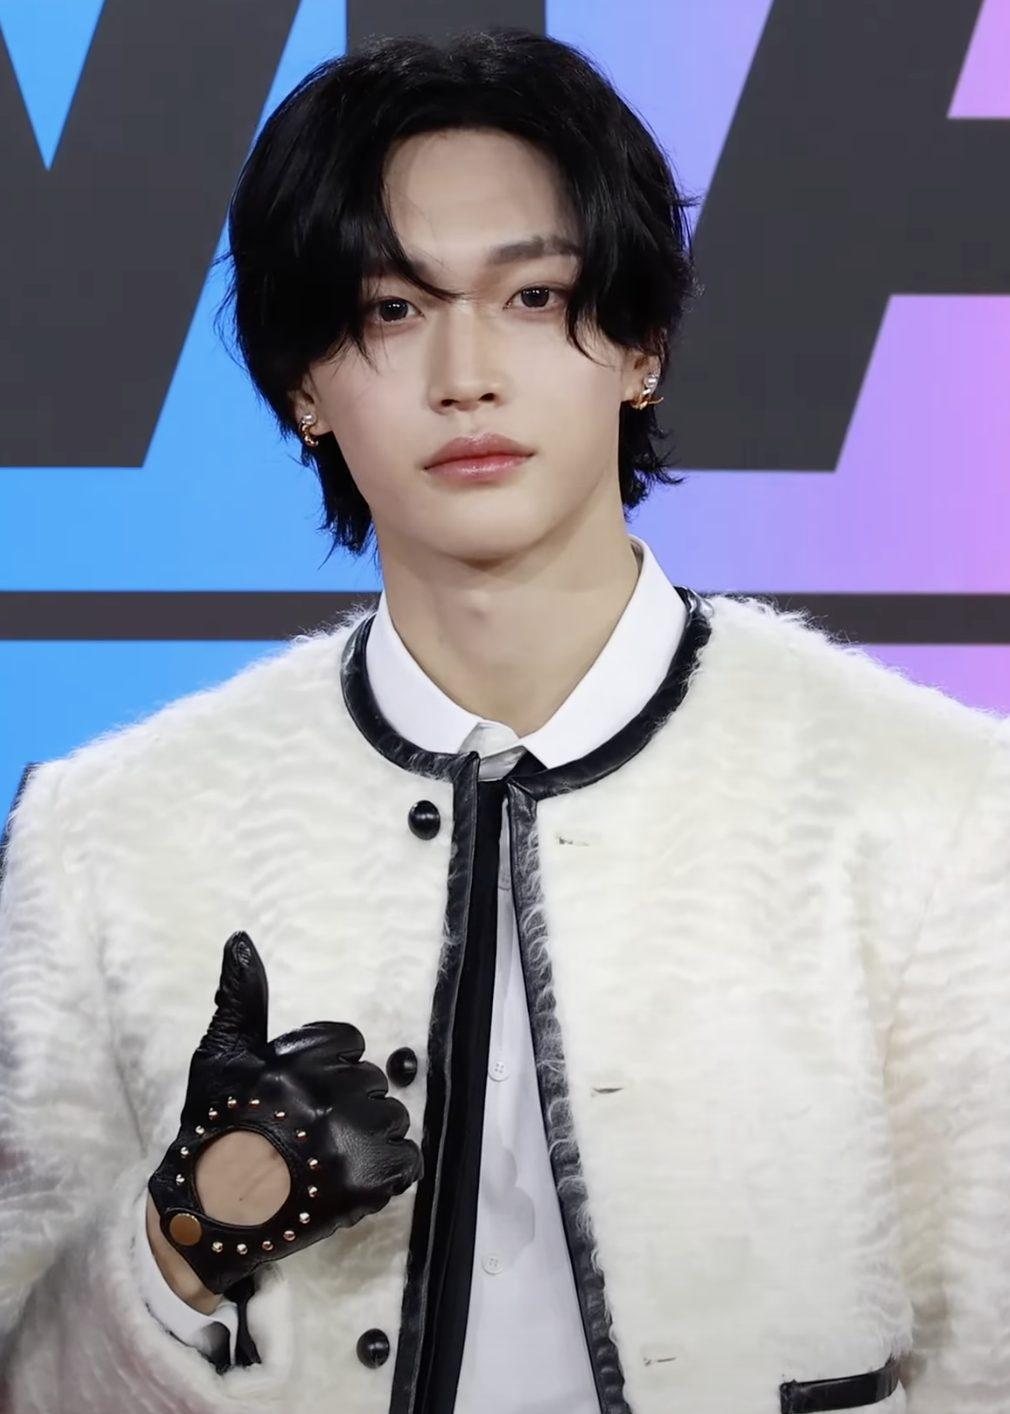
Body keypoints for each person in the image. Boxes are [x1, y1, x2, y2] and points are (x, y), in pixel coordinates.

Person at [1, 24, 1007, 1414]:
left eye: (532, 297)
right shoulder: (103, 836)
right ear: (304, 386)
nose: (464, 373)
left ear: (641, 345)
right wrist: (186, 1237)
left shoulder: (936, 804)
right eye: (389, 311)